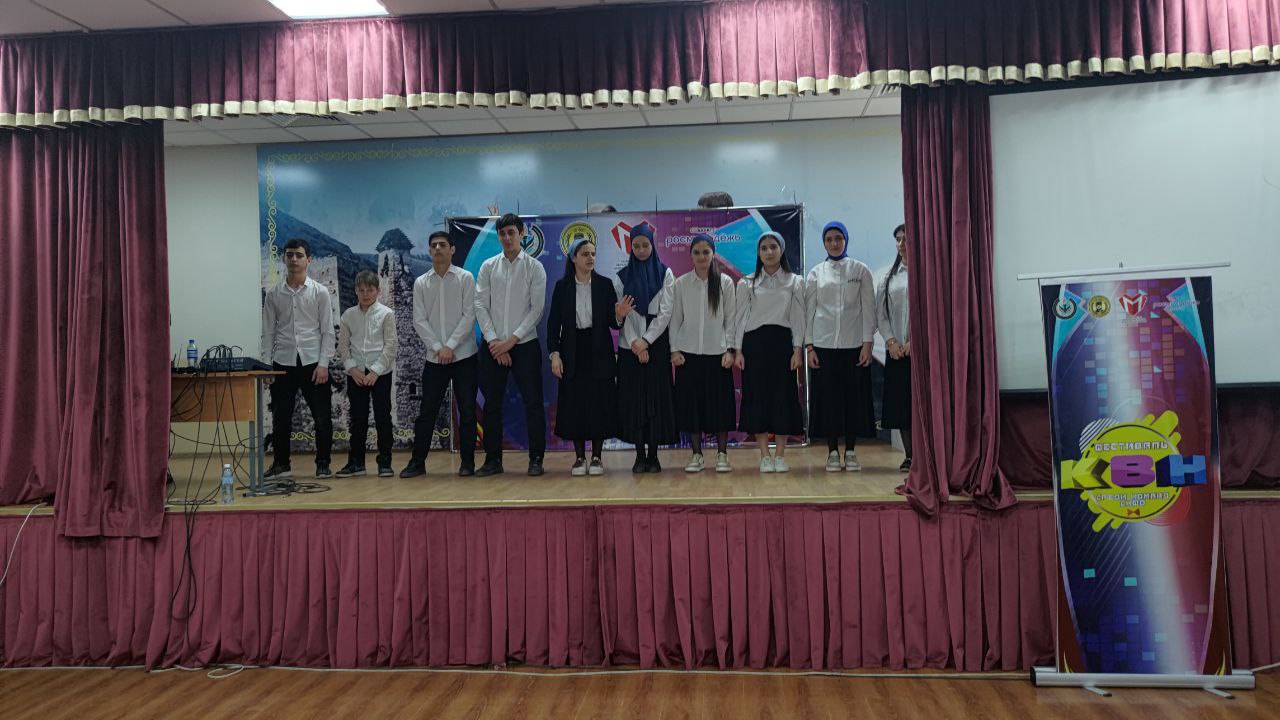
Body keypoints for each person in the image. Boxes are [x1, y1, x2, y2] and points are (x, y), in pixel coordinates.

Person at [474, 213, 549, 477]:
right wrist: (495, 341)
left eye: (512, 233)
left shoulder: (534, 268)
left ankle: (536, 459)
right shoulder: (488, 267)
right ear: (498, 236)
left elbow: (536, 310)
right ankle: (493, 460)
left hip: (524, 345)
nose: (507, 238)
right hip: (493, 346)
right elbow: (480, 305)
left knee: (533, 404)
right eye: (503, 233)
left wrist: (510, 341)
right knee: (492, 405)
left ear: (522, 234)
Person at [401, 231, 479, 478]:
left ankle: (468, 463)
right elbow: (419, 320)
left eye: (442, 245)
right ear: (429, 250)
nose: (437, 249)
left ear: (452, 249)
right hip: (434, 359)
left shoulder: (465, 278)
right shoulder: (421, 282)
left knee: (467, 411)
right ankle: (417, 462)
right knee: (427, 412)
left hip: (464, 356)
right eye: (433, 245)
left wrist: (451, 346)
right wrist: (438, 348)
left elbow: (470, 315)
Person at [548, 239, 624, 475]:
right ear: (573, 258)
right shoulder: (562, 287)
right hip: (572, 351)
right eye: (585, 254)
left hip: (599, 350)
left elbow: (613, 323)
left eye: (593, 254)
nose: (590, 258)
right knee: (575, 404)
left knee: (599, 404)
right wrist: (555, 355)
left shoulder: (604, 284)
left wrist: (619, 315)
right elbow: (553, 324)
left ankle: (597, 457)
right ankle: (580, 458)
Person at [805, 221, 876, 472]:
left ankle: (852, 451)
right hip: (823, 346)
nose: (834, 243)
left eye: (838, 238)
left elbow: (869, 308)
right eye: (829, 239)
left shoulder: (860, 270)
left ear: (846, 239)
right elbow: (809, 312)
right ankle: (833, 452)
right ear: (824, 243)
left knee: (853, 400)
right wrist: (810, 347)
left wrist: (867, 344)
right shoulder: (816, 273)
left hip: (854, 346)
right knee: (828, 402)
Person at [262, 237, 336, 479]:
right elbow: (268, 332)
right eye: (289, 254)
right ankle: (281, 463)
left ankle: (323, 463)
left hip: (313, 363)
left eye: (299, 255)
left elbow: (327, 331)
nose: (294, 259)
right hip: (282, 362)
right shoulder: (274, 294)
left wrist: (323, 364)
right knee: (281, 417)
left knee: (322, 417)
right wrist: (267, 367)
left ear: (308, 260)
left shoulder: (320, 292)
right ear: (284, 258)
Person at [733, 231, 805, 473]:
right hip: (754, 346)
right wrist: (738, 350)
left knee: (783, 397)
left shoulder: (794, 281)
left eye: (773, 247)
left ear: (781, 250)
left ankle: (780, 455)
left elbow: (798, 318)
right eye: (763, 248)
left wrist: (798, 350)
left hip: (782, 345)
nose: (769, 252)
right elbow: (739, 318)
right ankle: (765, 455)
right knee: (757, 398)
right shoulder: (747, 283)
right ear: (758, 253)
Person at [612, 222, 678, 473]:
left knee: (655, 402)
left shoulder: (665, 273)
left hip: (656, 346)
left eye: (645, 245)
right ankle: (639, 455)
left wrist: (646, 341)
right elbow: (623, 314)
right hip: (629, 349)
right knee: (634, 402)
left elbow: (665, 313)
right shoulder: (621, 277)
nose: (641, 250)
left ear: (652, 245)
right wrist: (636, 344)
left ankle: (653, 456)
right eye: (636, 246)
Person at [669, 234, 737, 473]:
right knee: (692, 408)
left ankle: (722, 454)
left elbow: (731, 319)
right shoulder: (681, 284)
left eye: (706, 252)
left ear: (713, 254)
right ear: (691, 255)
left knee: (720, 407)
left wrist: (730, 349)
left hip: (718, 355)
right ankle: (696, 455)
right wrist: (674, 349)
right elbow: (675, 319)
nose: (701, 257)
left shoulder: (725, 283)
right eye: (697, 252)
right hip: (688, 356)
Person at [335, 271, 397, 478]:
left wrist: (375, 371)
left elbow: (391, 346)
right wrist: (352, 369)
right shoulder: (348, 315)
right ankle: (356, 462)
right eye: (361, 290)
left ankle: (385, 462)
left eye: (370, 290)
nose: (366, 294)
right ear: (356, 291)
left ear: (377, 291)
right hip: (356, 373)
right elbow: (343, 346)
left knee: (382, 417)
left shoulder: (386, 314)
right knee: (358, 418)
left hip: (380, 373)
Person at [878, 224, 913, 472]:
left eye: (906, 239)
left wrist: (916, 342)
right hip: (897, 352)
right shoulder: (888, 278)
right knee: (901, 407)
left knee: (920, 406)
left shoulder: (927, 272)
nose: (901, 244)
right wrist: (891, 342)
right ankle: (910, 455)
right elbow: (882, 315)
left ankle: (926, 455)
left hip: (920, 352)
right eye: (898, 239)